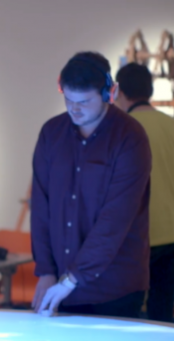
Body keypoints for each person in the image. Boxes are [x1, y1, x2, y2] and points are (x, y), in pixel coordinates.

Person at [31, 52, 152, 318]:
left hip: (114, 289)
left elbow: (115, 219)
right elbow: (40, 207)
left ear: (110, 93)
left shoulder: (130, 138)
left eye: (84, 101)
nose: (74, 109)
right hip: (59, 285)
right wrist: (47, 271)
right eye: (68, 100)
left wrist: (72, 279)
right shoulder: (51, 133)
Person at [114, 63, 174, 322]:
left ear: (119, 92)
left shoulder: (122, 127)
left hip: (140, 236)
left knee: (127, 310)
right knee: (162, 313)